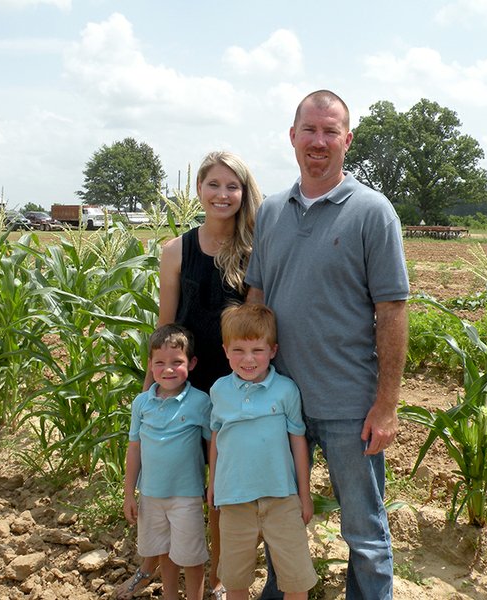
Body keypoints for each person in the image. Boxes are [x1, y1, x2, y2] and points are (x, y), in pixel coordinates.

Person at [246, 90, 409, 600]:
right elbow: (257, 298)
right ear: (292, 137)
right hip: (280, 402)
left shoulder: (372, 211)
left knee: (364, 533)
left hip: (348, 405)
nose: (319, 141)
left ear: (347, 140)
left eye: (330, 131)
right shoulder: (271, 212)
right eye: (310, 130)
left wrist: (386, 405)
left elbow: (393, 311)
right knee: (281, 518)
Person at [116, 151, 263, 600]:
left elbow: (254, 322)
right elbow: (167, 327)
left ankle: (217, 579)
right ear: (198, 188)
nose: (222, 194)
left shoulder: (254, 249)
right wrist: (150, 388)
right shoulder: (175, 250)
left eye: (232, 186)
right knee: (167, 480)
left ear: (243, 192)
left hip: (233, 384)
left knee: (219, 487)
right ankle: (150, 568)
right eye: (213, 184)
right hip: (184, 380)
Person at [207, 303, 317, 600]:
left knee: (296, 579)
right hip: (234, 499)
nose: (248, 359)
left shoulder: (285, 390)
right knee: (235, 579)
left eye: (257, 350)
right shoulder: (219, 391)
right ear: (225, 351)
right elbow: (217, 438)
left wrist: (303, 496)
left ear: (273, 351)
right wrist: (213, 482)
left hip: (281, 499)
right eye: (239, 350)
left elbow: (298, 442)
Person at [123, 324, 211, 600]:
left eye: (177, 362)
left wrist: (214, 484)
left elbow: (214, 445)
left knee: (192, 558)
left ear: (192, 363)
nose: (168, 369)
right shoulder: (141, 403)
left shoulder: (201, 402)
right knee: (166, 553)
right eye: (159, 363)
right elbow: (134, 448)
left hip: (186, 495)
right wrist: (129, 494)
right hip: (151, 494)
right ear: (149, 365)